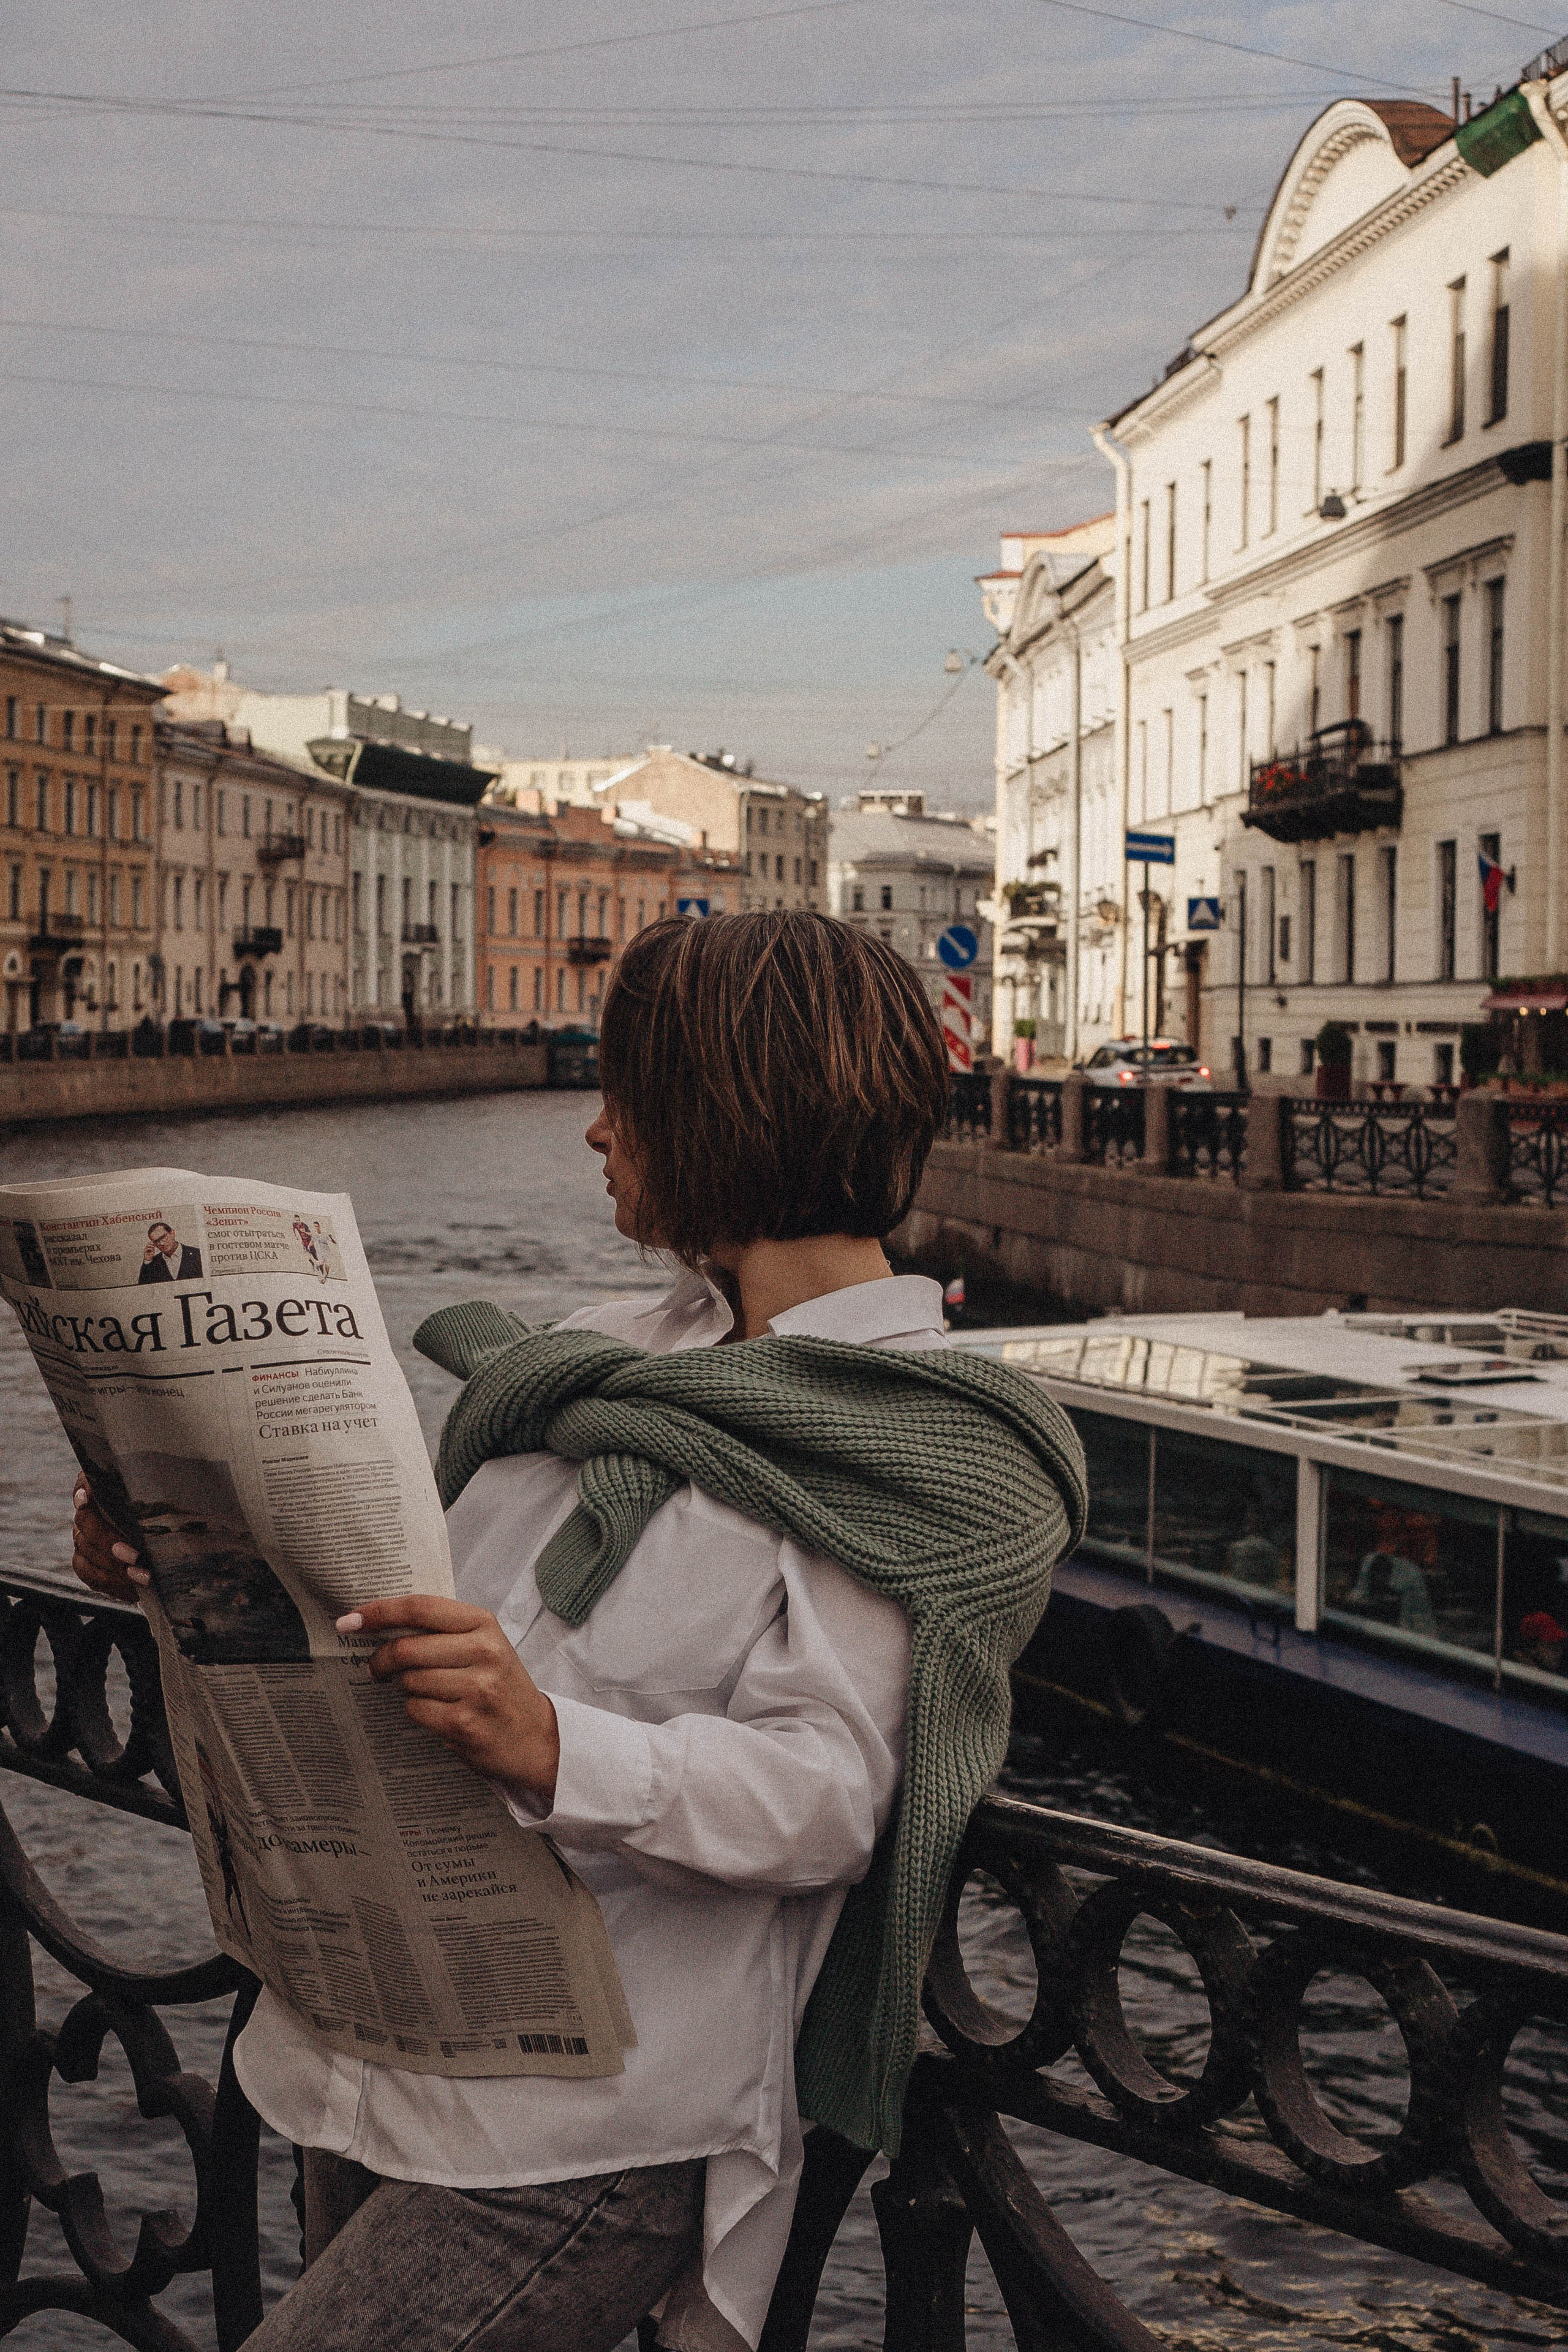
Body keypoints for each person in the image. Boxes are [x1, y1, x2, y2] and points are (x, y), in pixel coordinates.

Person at [70, 910, 1084, 2352]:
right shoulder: (599, 1359)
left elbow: (828, 1793)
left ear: (720, 1107)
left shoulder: (911, 1443)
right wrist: (171, 1549)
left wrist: (552, 1743)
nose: (594, 1132)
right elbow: (384, 1614)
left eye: (624, 1093)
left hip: (588, 2120)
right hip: (384, 2033)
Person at [138, 1220, 203, 1282]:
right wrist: (147, 1261)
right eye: (156, 1241)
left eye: (163, 1237)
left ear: (172, 1233)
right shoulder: (153, 1262)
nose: (161, 1243)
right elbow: (143, 1288)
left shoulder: (197, 1254)